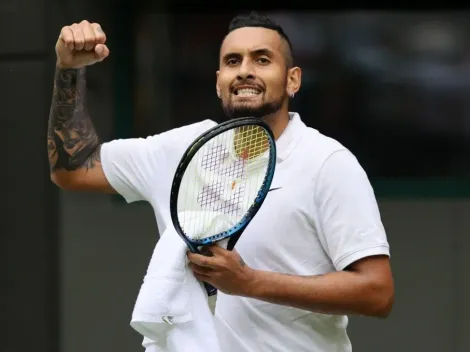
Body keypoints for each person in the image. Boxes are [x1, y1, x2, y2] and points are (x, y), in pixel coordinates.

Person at [48, 12, 394, 352]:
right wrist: (69, 70)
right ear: (218, 81)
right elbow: (73, 168)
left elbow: (377, 292)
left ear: (293, 80)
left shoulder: (328, 163)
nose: (245, 70)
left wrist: (251, 283)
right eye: (232, 61)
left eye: (262, 59)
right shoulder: (182, 149)